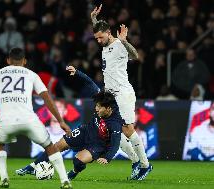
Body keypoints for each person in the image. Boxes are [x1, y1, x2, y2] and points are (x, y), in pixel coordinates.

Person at [0, 47, 72, 189]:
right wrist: (61, 121)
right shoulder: (31, 74)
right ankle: (65, 181)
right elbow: (46, 98)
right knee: (49, 147)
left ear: (8, 60)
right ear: (25, 61)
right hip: (28, 120)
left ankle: (4, 179)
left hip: (6, 121)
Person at [16, 66, 122, 180]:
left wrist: (107, 157)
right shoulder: (102, 98)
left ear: (108, 108)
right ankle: (34, 166)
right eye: (96, 105)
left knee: (78, 160)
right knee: (57, 146)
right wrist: (77, 72)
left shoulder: (115, 122)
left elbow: (115, 144)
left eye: (99, 107)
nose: (96, 109)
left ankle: (74, 171)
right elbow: (90, 82)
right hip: (85, 131)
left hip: (98, 144)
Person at [90, 4, 152, 180]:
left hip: (123, 93)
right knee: (111, 132)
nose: (99, 41)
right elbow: (100, 28)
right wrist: (93, 19)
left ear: (109, 33)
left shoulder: (118, 44)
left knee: (127, 129)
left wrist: (124, 41)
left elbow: (135, 56)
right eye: (96, 38)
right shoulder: (104, 42)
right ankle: (135, 161)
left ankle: (145, 165)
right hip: (110, 96)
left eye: (101, 37)